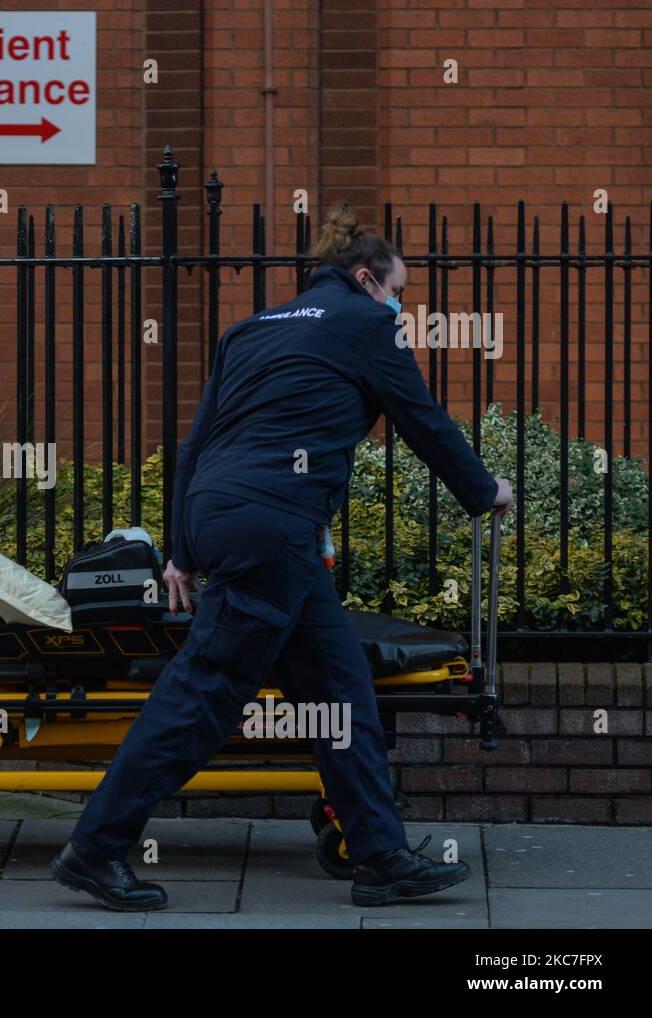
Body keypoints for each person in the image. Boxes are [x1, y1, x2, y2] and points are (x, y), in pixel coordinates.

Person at [51, 204, 513, 911]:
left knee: (338, 690)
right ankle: (97, 846)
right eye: (398, 291)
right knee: (202, 691)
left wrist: (180, 552)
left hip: (222, 515)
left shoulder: (251, 329)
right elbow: (424, 420)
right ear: (365, 279)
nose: (400, 306)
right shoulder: (365, 322)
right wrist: (484, 492)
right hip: (274, 524)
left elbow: (193, 446)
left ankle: (382, 856)